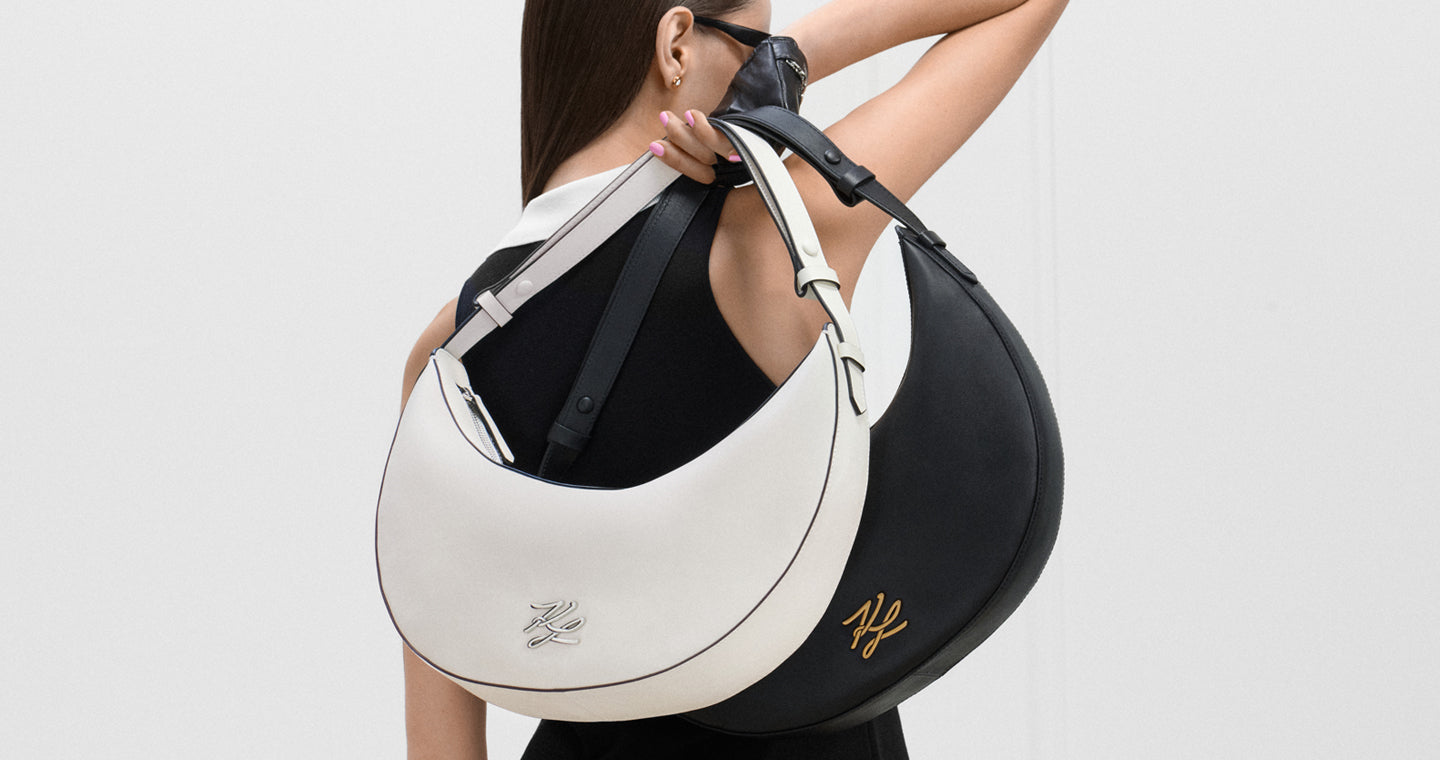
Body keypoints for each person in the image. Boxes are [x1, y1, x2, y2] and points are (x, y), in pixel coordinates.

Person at [396, 0, 1067, 757]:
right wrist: (799, 55)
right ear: (676, 44)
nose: (755, 72)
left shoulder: (445, 357)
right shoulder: (770, 239)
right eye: (752, 44)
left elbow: (440, 729)